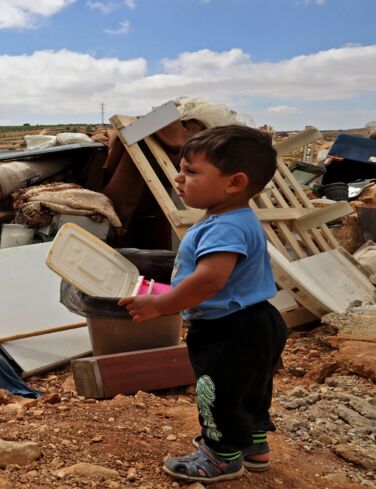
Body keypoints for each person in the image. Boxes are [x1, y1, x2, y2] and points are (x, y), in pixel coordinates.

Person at [118, 125, 287, 484]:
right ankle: (254, 447)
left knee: (218, 393)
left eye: (191, 172)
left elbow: (211, 279)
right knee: (250, 389)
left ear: (235, 182)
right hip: (256, 322)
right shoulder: (230, 217)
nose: (179, 179)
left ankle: (222, 457)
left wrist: (160, 305)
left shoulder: (224, 227)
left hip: (230, 329)